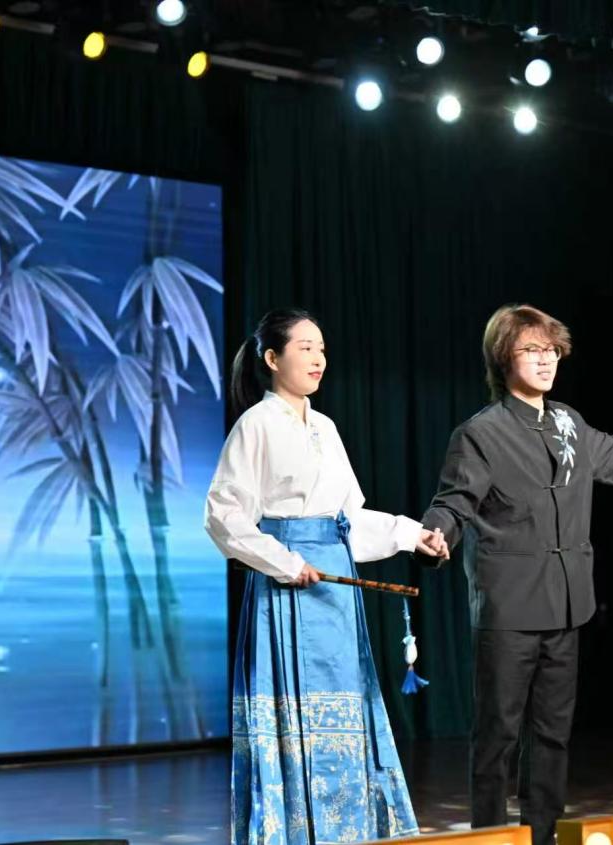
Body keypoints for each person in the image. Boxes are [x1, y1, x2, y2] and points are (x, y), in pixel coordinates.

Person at [419, 304, 613, 845]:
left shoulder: (568, 422)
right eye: (531, 350)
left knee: (552, 735)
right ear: (502, 358)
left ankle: (542, 835)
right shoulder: (481, 434)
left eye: (552, 350)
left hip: (566, 603)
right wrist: (436, 534)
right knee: (498, 737)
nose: (545, 360)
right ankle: (491, 837)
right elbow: (454, 501)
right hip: (510, 606)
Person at [205, 308, 448, 845]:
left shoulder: (326, 428)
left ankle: (348, 831)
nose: (318, 359)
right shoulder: (256, 425)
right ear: (273, 359)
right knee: (297, 718)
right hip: (287, 591)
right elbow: (223, 515)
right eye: (305, 348)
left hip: (334, 594)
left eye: (321, 348)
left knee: (343, 715)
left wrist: (412, 535)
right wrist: (285, 562)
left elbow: (348, 520)